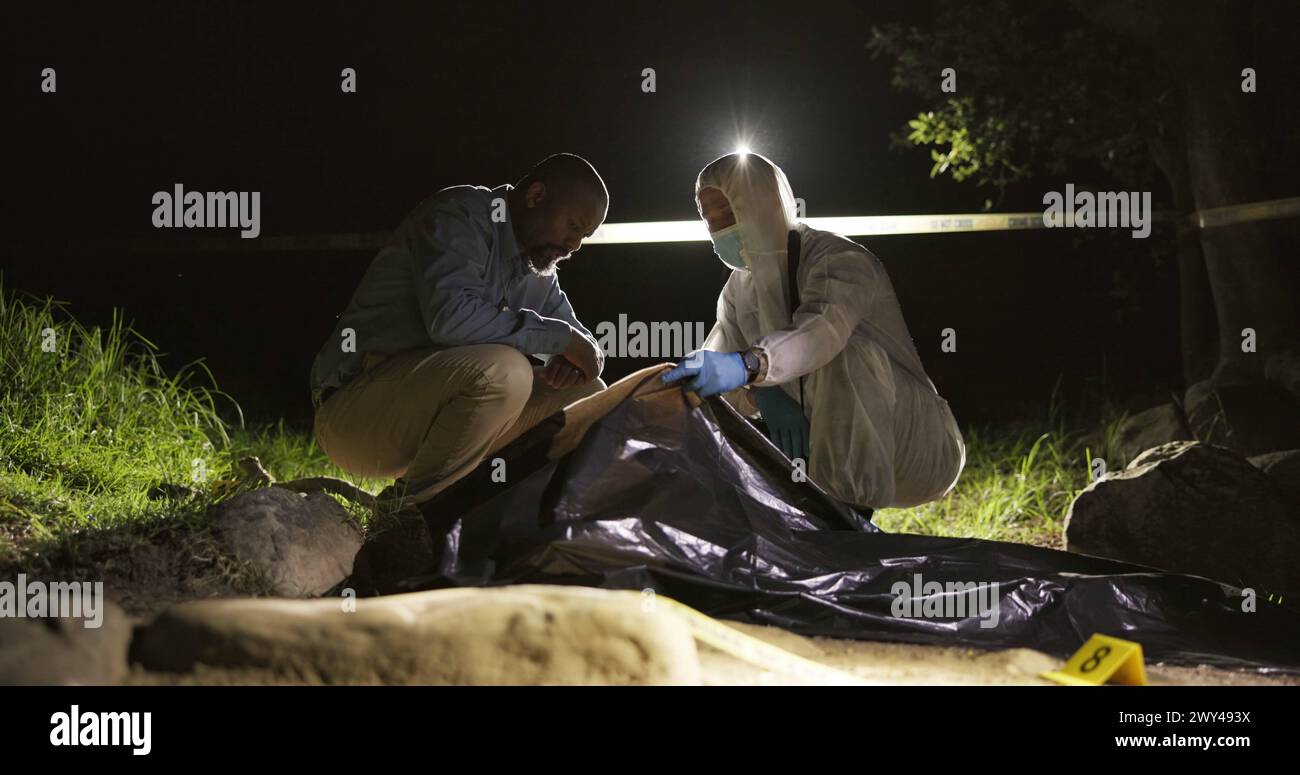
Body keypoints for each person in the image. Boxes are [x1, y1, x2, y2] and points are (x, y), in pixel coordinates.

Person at [662, 152, 965, 515]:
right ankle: (809, 517)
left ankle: (846, 522)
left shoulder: (835, 259)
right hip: (825, 449)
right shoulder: (737, 292)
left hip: (916, 446)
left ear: (762, 203)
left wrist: (751, 367)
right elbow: (718, 376)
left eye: (727, 214)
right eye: (708, 219)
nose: (717, 228)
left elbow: (821, 332)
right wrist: (758, 395)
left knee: (848, 357)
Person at [310, 153, 608, 509]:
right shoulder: (459, 214)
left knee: (588, 395)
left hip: (429, 428)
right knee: (505, 369)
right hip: (355, 415)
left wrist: (581, 357)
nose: (574, 245)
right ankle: (407, 520)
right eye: (574, 226)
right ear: (536, 197)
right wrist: (559, 341)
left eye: (584, 236)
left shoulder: (536, 266)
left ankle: (496, 512)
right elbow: (450, 319)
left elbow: (581, 342)